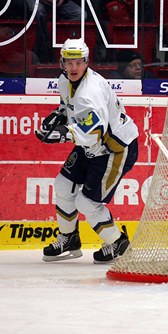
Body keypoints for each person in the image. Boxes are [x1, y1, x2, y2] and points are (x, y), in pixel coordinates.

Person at [34, 39, 139, 264]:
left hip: (115, 148)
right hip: (90, 144)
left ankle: (117, 243)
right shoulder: (65, 80)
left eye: (78, 62)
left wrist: (63, 133)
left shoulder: (90, 92)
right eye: (69, 62)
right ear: (61, 62)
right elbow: (70, 106)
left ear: (86, 62)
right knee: (63, 185)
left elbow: (96, 132)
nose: (73, 68)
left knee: (86, 203)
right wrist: (60, 114)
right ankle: (69, 238)